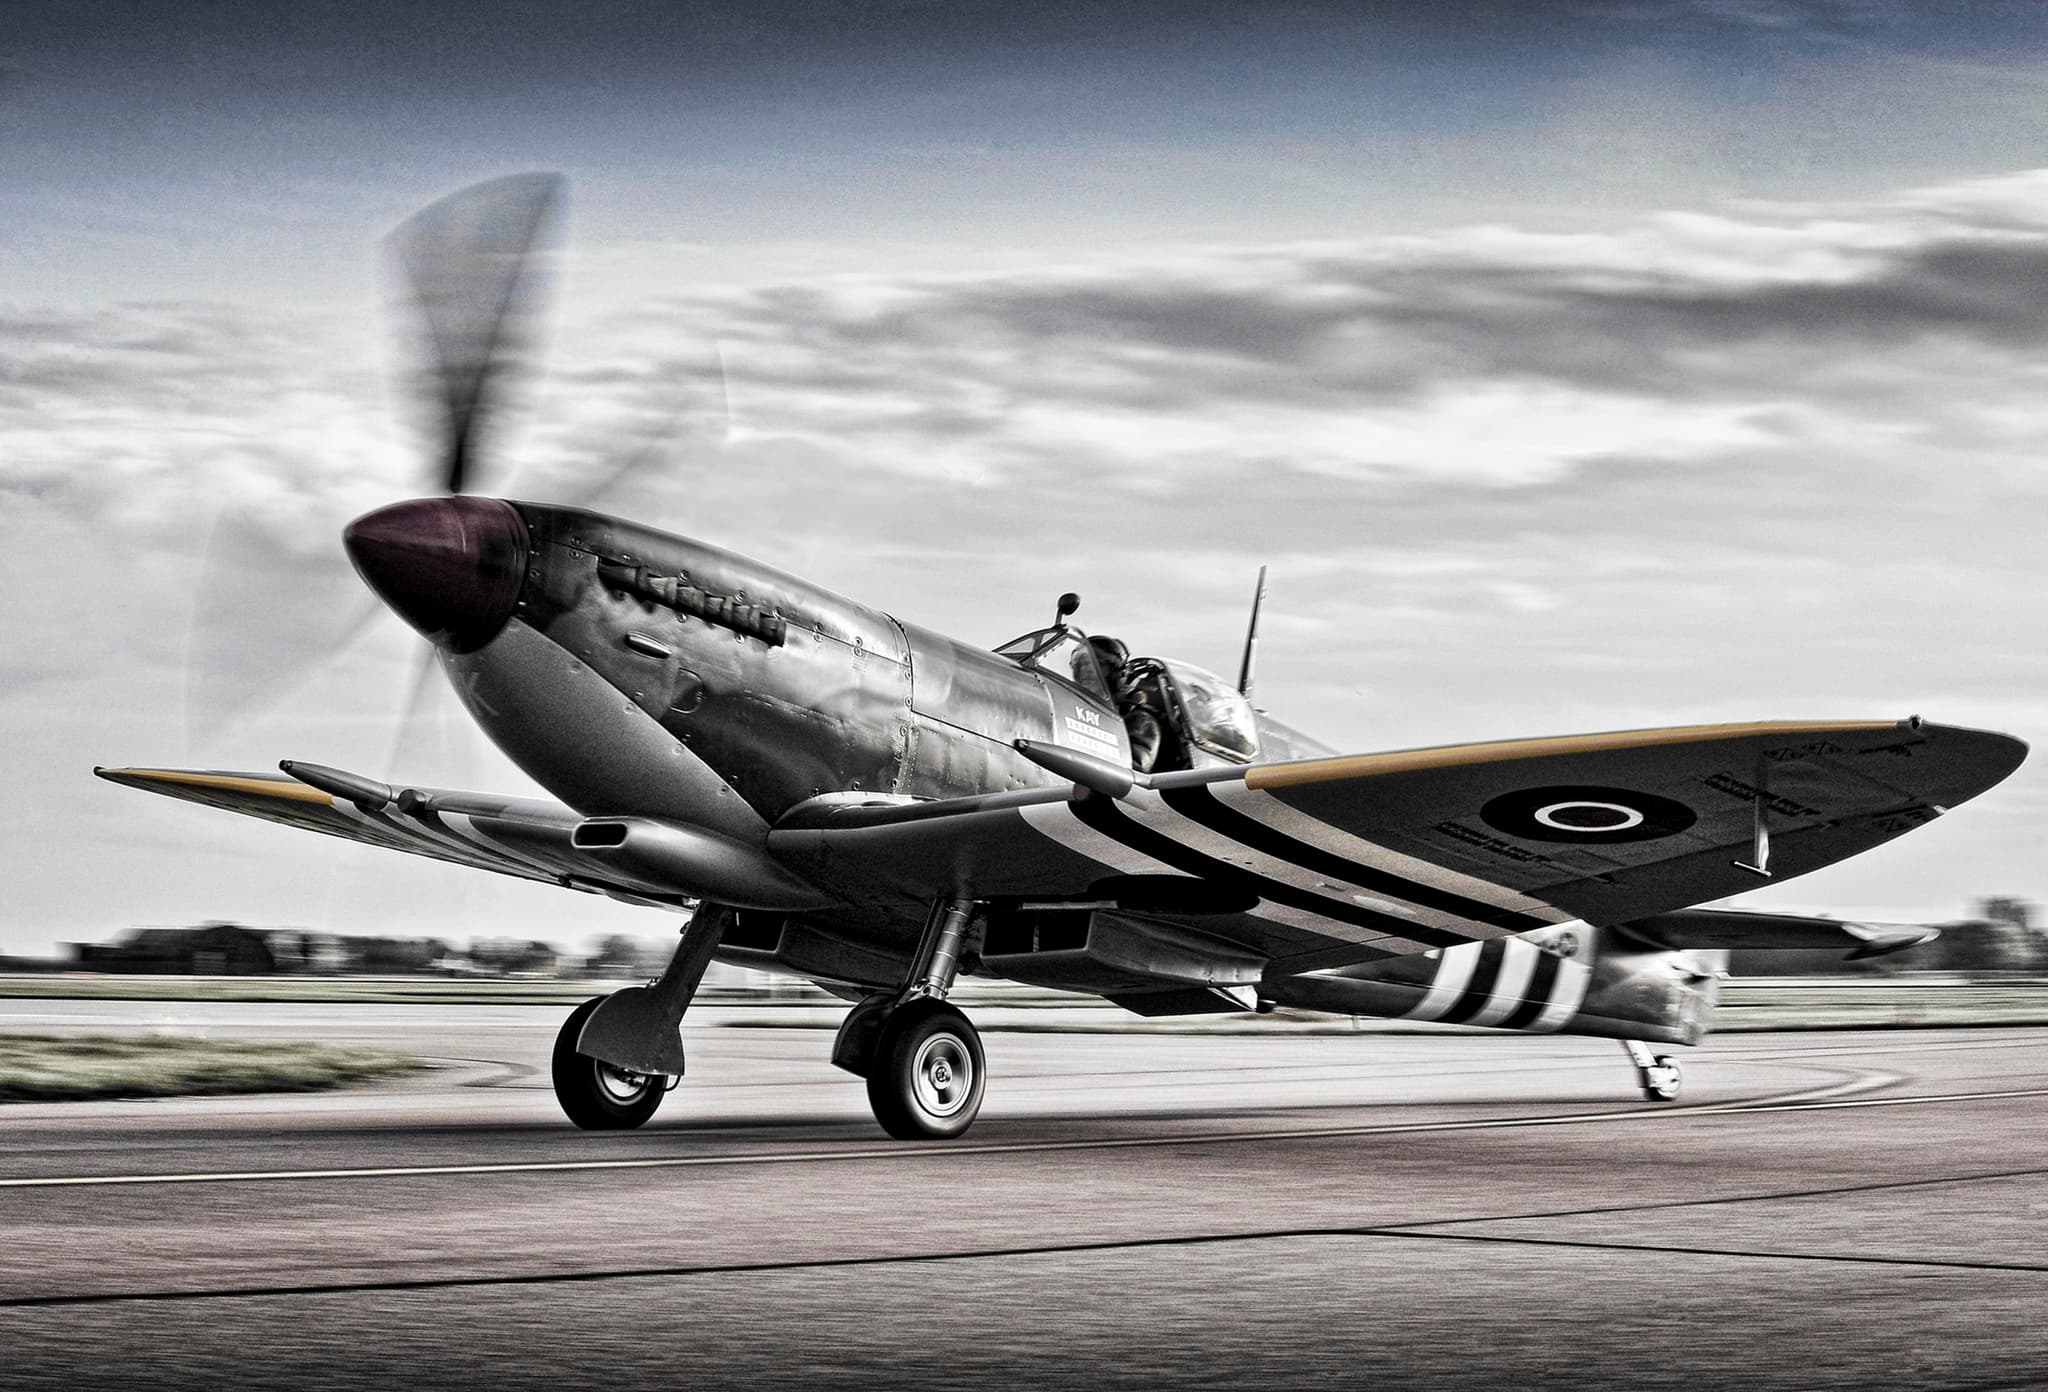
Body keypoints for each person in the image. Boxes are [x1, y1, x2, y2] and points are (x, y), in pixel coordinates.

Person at [1087, 635, 1163, 773]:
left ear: (1118, 673)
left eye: (1097, 664)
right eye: (1080, 664)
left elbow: (1132, 772)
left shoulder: (1141, 721)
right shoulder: (1081, 713)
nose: (1086, 670)